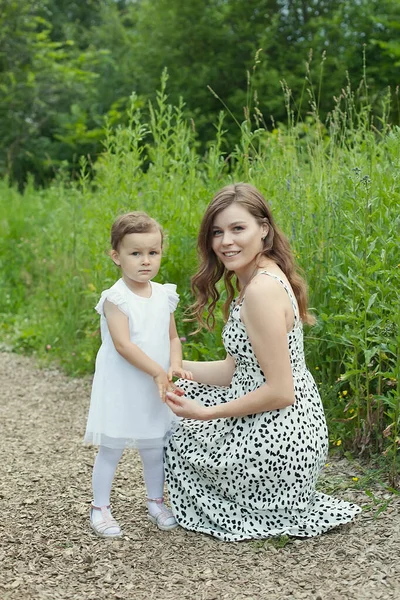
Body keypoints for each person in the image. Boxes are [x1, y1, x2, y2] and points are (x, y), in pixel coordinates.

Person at [164, 182, 361, 542]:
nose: (226, 241)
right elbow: (233, 369)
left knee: (177, 436)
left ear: (264, 230)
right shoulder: (257, 278)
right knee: (181, 390)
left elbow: (281, 392)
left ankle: (256, 500)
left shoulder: (261, 290)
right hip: (280, 425)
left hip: (281, 440)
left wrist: (204, 414)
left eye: (238, 229)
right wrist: (171, 367)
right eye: (217, 232)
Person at [84, 211, 191, 538]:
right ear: (116, 256)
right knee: (112, 445)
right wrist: (159, 372)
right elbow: (124, 345)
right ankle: (99, 507)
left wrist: (174, 365)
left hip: (153, 384)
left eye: (153, 252)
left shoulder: (164, 295)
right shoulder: (116, 298)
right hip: (123, 384)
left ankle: (156, 501)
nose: (145, 261)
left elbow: (173, 337)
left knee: (153, 444)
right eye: (135, 253)